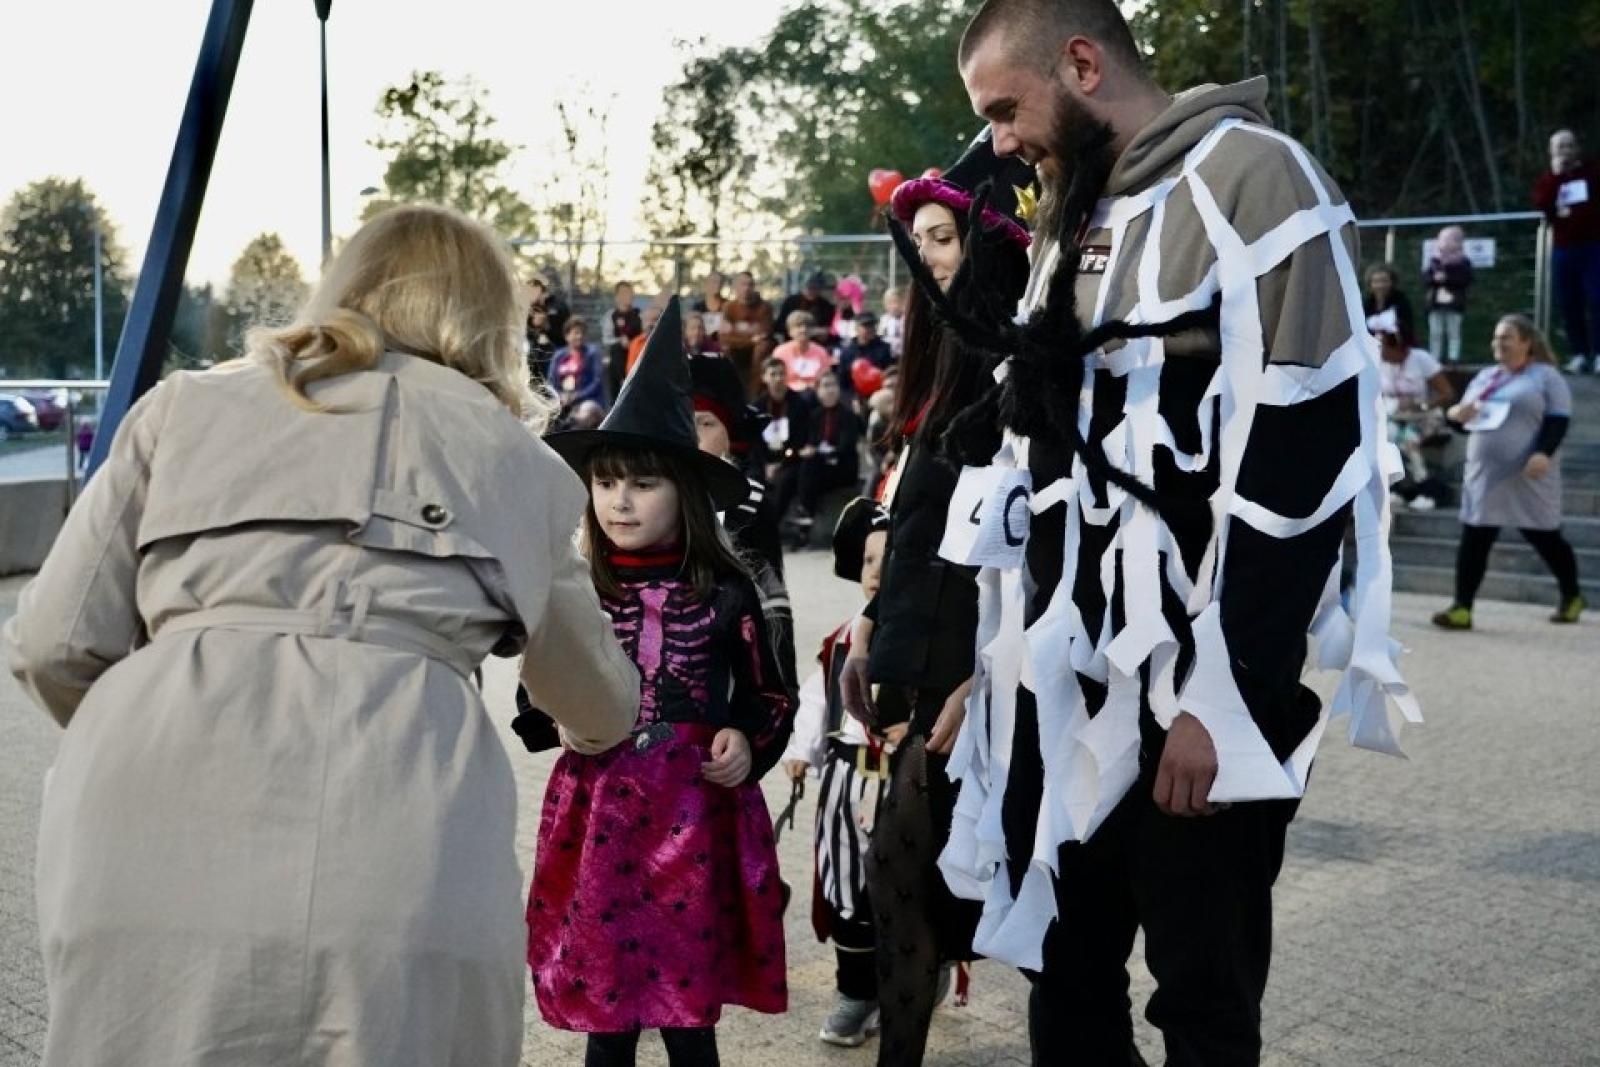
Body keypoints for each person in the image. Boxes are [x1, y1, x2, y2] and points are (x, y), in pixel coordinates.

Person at [1, 203, 641, 1066]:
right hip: (399, 814)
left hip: (144, 809)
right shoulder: (517, 463)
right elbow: (600, 699)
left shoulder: (182, 408)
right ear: (494, 321)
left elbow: (49, 641)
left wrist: (165, 718)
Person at [944, 3, 1417, 1064]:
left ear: (1081, 62)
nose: (1000, 141)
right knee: (1063, 973)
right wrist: (998, 664)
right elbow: (1043, 460)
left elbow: (1301, 449)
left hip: (1199, 693)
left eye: (1005, 109)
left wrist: (1226, 693)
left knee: (1200, 994)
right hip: (1070, 686)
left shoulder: (1258, 178)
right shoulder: (1071, 209)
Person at [516, 298, 795, 1067]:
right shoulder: (574, 590)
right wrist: (561, 717)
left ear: (685, 492)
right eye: (606, 484)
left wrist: (746, 734)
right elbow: (534, 692)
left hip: (695, 819)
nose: (620, 500)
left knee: (683, 1004)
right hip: (600, 818)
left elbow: (771, 694)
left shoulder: (728, 590)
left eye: (642, 483)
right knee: (609, 1004)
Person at [841, 128, 1035, 1067]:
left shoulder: (1021, 378)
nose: (925, 255)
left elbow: (1030, 559)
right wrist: (873, 617)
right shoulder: (930, 376)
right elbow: (915, 525)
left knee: (1002, 901)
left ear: (990, 245)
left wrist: (985, 681)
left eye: (943, 237)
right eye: (916, 238)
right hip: (925, 672)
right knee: (903, 890)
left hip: (993, 682)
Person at [780, 498, 899, 1048]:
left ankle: (916, 981)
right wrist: (803, 750)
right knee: (847, 890)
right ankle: (855, 992)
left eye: (891, 557)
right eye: (869, 559)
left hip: (906, 783)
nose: (877, 571)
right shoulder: (838, 641)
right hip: (846, 782)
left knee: (906, 890)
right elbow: (814, 700)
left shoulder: (933, 642)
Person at [1432, 314, 1584, 628]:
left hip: (1529, 472)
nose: (1498, 343)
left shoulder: (1545, 377)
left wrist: (1543, 452)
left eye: (1506, 337)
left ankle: (1572, 595)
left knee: (1545, 536)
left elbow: (1558, 420)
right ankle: (1462, 608)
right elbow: (1462, 424)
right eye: (1496, 338)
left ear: (1526, 343)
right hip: (1485, 475)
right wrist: (1456, 415)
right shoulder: (1486, 377)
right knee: (1475, 536)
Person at [691, 352, 799, 690]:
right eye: (685, 422)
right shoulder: (659, 496)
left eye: (706, 424)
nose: (693, 436)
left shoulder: (748, 504)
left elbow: (773, 597)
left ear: (730, 436)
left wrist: (782, 686)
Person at [1534, 130, 1600, 373]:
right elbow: (1542, 204)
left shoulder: (1592, 172)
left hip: (1594, 246)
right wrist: (1555, 176)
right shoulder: (1549, 179)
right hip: (1565, 248)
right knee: (1569, 301)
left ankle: (1599, 351)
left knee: (1597, 298)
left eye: (1569, 146)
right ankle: (1579, 353)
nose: (1566, 151)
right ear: (1552, 151)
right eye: (1560, 147)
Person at [1375, 322, 1456, 509]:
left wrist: (1421, 404)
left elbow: (1447, 393)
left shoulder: (1420, 359)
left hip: (1425, 415)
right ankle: (1397, 489)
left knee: (1409, 441)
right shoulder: (1379, 363)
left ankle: (1426, 489)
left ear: (1397, 346)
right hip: (1395, 416)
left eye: (1382, 346)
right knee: (1386, 438)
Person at [1422, 225, 1474, 365]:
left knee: (1454, 333)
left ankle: (1453, 358)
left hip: (1455, 303)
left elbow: (1466, 280)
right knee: (1435, 332)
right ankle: (1434, 358)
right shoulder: (1434, 261)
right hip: (1436, 303)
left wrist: (1448, 278)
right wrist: (1434, 279)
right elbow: (1425, 279)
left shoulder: (1463, 262)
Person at [722, 271, 776, 396]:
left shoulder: (764, 307)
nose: (746, 288)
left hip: (757, 351)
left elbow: (764, 334)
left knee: (762, 346)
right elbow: (725, 337)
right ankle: (730, 393)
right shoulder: (729, 308)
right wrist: (750, 339)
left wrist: (738, 333)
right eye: (743, 284)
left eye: (750, 285)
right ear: (735, 287)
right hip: (738, 349)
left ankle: (754, 395)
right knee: (726, 348)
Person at [838, 311, 894, 405]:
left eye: (872, 325)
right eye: (866, 326)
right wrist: (852, 398)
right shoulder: (847, 352)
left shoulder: (884, 348)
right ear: (857, 328)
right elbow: (843, 382)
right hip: (855, 395)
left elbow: (890, 373)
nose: (870, 329)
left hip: (879, 393)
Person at [553, 315, 608, 411]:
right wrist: (560, 396)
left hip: (588, 400)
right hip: (562, 399)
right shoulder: (558, 356)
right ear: (567, 336)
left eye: (582, 333)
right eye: (576, 333)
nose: (580, 336)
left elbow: (597, 382)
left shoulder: (593, 353)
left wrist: (577, 396)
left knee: (585, 412)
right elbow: (551, 381)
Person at [773, 310, 833, 393]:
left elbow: (826, 377)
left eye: (807, 326)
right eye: (798, 326)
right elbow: (776, 378)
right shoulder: (780, 352)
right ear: (790, 331)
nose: (803, 330)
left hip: (815, 394)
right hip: (788, 393)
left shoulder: (821, 351)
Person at [777, 272, 839, 349]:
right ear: (803, 287)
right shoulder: (791, 302)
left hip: (817, 345)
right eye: (809, 288)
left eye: (815, 289)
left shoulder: (826, 306)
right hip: (792, 343)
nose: (812, 291)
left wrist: (824, 332)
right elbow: (779, 326)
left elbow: (832, 330)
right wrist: (796, 330)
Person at [1363, 262, 1417, 348]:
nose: (1380, 285)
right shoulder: (1366, 304)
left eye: (1384, 281)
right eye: (1376, 281)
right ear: (1370, 284)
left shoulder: (1401, 301)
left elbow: (1407, 330)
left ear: (1392, 282)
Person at [608, 281, 645, 398]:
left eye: (630, 292)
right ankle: (622, 382)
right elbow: (606, 339)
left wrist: (633, 343)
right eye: (624, 293)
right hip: (619, 354)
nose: (628, 295)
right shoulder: (611, 316)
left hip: (637, 351)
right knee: (615, 351)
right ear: (617, 297)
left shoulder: (639, 315)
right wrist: (620, 340)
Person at [694, 270, 728, 342]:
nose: (716, 285)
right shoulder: (697, 307)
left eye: (719, 282)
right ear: (706, 284)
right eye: (713, 282)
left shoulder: (728, 306)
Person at [880, 287, 906, 360]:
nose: (894, 306)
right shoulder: (884, 320)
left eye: (896, 302)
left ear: (902, 302)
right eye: (890, 303)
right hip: (888, 357)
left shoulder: (907, 319)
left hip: (904, 356)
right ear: (885, 305)